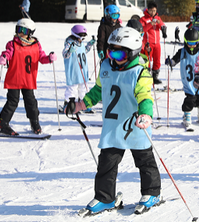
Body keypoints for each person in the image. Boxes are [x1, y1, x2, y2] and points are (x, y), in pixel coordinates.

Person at [65, 27, 162, 215]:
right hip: (113, 127)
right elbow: (98, 91)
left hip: (135, 125)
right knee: (106, 164)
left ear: (132, 52)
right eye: (111, 51)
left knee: (145, 161)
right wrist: (80, 105)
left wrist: (146, 115)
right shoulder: (106, 67)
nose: (114, 57)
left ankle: (152, 193)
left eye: (119, 53)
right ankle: (105, 197)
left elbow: (145, 97)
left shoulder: (140, 73)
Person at [0, 18, 57, 135]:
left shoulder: (36, 45)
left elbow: (41, 57)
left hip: (28, 79)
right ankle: (3, 124)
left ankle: (34, 122)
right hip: (15, 78)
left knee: (31, 102)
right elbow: (8, 52)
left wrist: (49, 58)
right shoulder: (12, 43)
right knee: (12, 102)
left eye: (23, 30)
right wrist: (4, 57)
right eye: (18, 29)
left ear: (30, 32)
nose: (20, 32)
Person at [165, 29, 199, 130]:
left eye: (195, 43)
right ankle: (187, 116)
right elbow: (174, 60)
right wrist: (170, 62)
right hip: (189, 82)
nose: (192, 45)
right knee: (190, 100)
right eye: (189, 43)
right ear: (185, 41)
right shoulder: (182, 52)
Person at [61, 25, 96, 113]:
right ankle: (68, 104)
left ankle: (83, 105)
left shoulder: (80, 43)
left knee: (83, 87)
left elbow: (84, 51)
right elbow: (65, 55)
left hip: (83, 69)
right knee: (72, 88)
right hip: (74, 70)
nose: (82, 39)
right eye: (81, 37)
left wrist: (89, 45)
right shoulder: (69, 42)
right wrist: (70, 51)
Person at [140, 1, 167, 84]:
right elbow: (142, 30)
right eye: (151, 10)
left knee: (157, 60)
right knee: (147, 60)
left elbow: (162, 25)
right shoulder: (143, 19)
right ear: (148, 10)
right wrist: (150, 24)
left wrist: (161, 25)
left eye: (154, 11)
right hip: (148, 43)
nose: (153, 12)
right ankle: (146, 76)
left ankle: (155, 77)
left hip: (157, 43)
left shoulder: (157, 18)